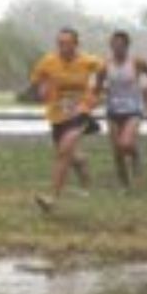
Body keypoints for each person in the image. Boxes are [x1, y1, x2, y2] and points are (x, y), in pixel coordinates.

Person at [31, 28, 104, 213]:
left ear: (76, 44)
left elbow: (103, 70)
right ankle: (83, 168)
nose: (63, 47)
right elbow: (38, 80)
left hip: (81, 110)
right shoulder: (48, 61)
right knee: (70, 155)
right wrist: (42, 89)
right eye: (60, 43)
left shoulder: (89, 61)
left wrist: (96, 90)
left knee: (64, 151)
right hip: (58, 113)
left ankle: (52, 199)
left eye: (67, 43)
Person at [94, 31, 147, 191]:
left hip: (133, 109)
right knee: (117, 150)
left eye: (120, 44)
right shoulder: (105, 65)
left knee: (126, 143)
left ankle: (136, 155)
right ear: (111, 46)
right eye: (114, 44)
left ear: (127, 46)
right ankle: (124, 185)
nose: (117, 47)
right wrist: (96, 97)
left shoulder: (136, 62)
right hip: (113, 110)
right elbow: (97, 86)